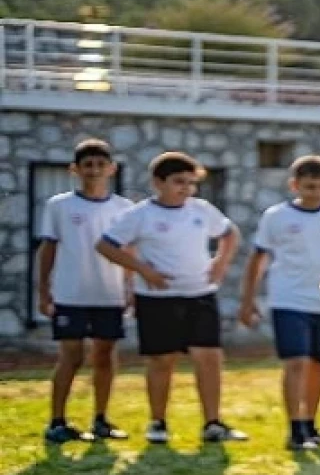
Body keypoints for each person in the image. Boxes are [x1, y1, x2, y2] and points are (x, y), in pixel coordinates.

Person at [95, 151, 246, 444]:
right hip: (158, 299)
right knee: (162, 361)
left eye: (191, 183)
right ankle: (158, 423)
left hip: (200, 295)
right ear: (158, 182)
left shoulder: (202, 209)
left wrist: (220, 262)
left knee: (210, 358)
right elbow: (106, 245)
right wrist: (143, 270)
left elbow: (230, 234)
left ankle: (213, 424)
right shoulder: (139, 215)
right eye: (179, 182)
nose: (186, 189)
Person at [239, 155, 320, 450]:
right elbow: (258, 258)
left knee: (318, 365)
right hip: (289, 299)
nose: (316, 192)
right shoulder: (276, 216)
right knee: (295, 361)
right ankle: (294, 428)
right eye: (309, 186)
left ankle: (310, 423)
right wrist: (247, 300)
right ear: (294, 185)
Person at [36, 139, 133, 443]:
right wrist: (43, 289)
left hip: (109, 295)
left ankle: (101, 420)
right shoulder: (59, 206)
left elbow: (129, 252)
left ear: (112, 169)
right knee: (71, 357)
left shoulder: (125, 209)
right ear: (74, 169)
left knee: (105, 355)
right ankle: (57, 422)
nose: (94, 170)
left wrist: (131, 287)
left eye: (100, 165)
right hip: (70, 295)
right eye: (87, 165)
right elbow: (48, 248)